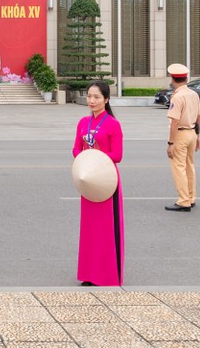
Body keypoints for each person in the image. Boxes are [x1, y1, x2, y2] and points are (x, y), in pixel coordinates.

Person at [72, 81, 124, 286]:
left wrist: (96, 156)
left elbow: (117, 155)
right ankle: (88, 274)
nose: (92, 101)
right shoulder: (83, 122)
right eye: (89, 96)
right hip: (88, 179)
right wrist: (85, 158)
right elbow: (76, 149)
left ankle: (106, 275)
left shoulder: (113, 124)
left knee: (106, 229)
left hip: (106, 180)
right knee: (89, 229)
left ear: (106, 100)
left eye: (97, 97)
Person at [164, 63, 200, 212]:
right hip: (192, 132)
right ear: (186, 78)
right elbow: (199, 117)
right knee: (189, 166)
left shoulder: (177, 97)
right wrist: (198, 136)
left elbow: (174, 122)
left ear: (173, 79)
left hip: (180, 134)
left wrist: (170, 143)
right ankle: (191, 197)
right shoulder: (194, 94)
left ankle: (184, 201)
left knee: (178, 168)